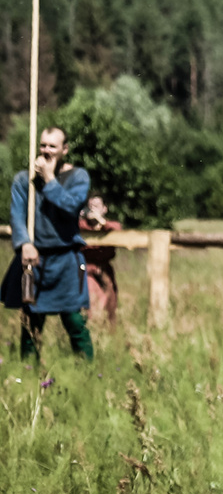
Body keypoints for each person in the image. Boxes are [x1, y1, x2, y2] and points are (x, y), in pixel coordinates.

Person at [11, 126, 94, 360]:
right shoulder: (24, 180)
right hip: (35, 259)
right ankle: (27, 374)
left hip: (66, 258)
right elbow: (17, 215)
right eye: (43, 145)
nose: (46, 150)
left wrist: (48, 179)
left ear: (64, 150)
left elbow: (70, 207)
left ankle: (87, 372)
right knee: (31, 323)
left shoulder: (78, 177)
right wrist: (24, 243)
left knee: (75, 321)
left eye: (52, 146)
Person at [78, 194, 122, 325]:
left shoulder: (110, 226)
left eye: (96, 206)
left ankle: (108, 336)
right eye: (90, 207)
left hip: (105, 270)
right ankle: (94, 332)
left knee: (111, 304)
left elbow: (118, 230)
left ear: (104, 209)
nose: (93, 210)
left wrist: (101, 221)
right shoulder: (82, 225)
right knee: (93, 304)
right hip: (87, 270)